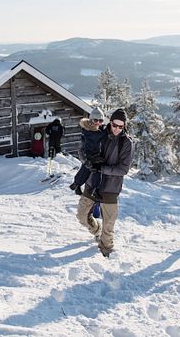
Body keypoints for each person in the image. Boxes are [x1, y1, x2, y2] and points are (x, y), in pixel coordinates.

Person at [76, 108, 134, 258]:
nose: (117, 129)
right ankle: (96, 230)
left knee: (109, 225)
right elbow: (83, 151)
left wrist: (102, 168)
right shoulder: (100, 134)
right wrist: (87, 162)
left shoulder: (126, 143)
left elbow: (123, 169)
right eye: (115, 125)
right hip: (93, 182)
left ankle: (106, 250)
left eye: (121, 127)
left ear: (124, 126)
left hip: (111, 187)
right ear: (111, 123)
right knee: (82, 216)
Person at [69, 107, 108, 196]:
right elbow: (83, 147)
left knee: (96, 171)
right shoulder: (88, 131)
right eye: (95, 120)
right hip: (89, 155)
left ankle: (87, 187)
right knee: (89, 169)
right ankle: (77, 184)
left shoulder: (101, 130)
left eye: (101, 121)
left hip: (97, 155)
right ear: (91, 120)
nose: (98, 122)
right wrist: (86, 160)